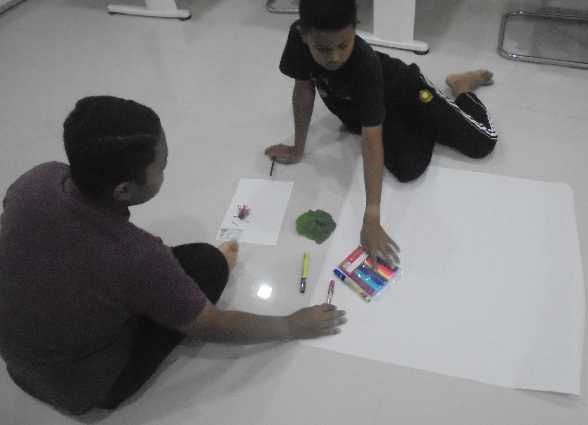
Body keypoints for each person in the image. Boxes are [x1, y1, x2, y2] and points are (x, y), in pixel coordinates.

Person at [0, 96, 347, 415]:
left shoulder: (37, 180)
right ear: (124, 189)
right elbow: (213, 325)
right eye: (161, 167)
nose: (166, 169)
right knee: (208, 266)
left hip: (18, 366)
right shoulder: (138, 257)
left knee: (183, 267)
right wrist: (291, 325)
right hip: (85, 389)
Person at [265, 0, 497, 267]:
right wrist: (298, 147)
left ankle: (461, 87)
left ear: (356, 26)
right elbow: (303, 89)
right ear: (303, 34)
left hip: (408, 93)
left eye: (343, 44)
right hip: (364, 110)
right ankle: (427, 121)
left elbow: (371, 144)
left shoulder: (365, 66)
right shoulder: (298, 37)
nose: (334, 57)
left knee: (482, 143)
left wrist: (371, 219)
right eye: (322, 49)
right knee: (408, 170)